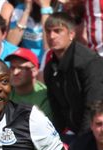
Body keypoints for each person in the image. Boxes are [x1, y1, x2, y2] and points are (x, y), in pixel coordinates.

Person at [44, 12, 103, 142]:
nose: (51, 36)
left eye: (57, 31)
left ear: (71, 34)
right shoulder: (50, 68)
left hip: (94, 133)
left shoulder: (89, 62)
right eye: (48, 32)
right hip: (72, 133)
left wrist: (82, 143)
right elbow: (56, 110)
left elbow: (93, 106)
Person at [6, 48, 52, 120]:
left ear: (34, 71)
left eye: (21, 68)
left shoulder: (45, 96)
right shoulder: (6, 91)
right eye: (12, 67)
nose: (15, 73)